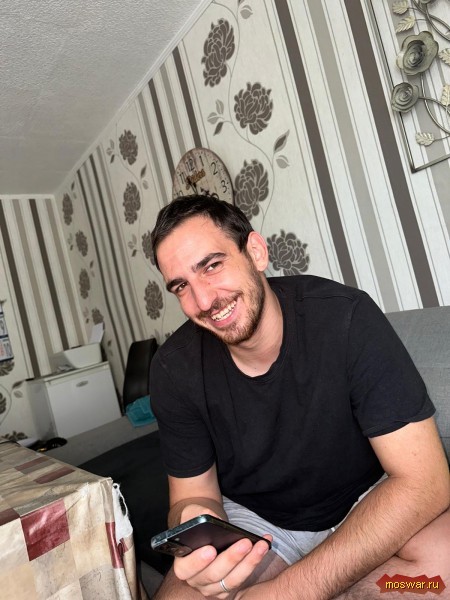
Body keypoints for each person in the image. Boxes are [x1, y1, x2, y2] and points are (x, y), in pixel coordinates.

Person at [149, 195, 450, 600]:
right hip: (258, 524)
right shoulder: (173, 370)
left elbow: (425, 481)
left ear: (256, 252)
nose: (203, 301)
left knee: (440, 575)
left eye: (212, 265)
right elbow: (192, 494)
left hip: (366, 504)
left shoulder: (346, 317)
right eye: (182, 286)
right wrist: (199, 525)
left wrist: (288, 591)